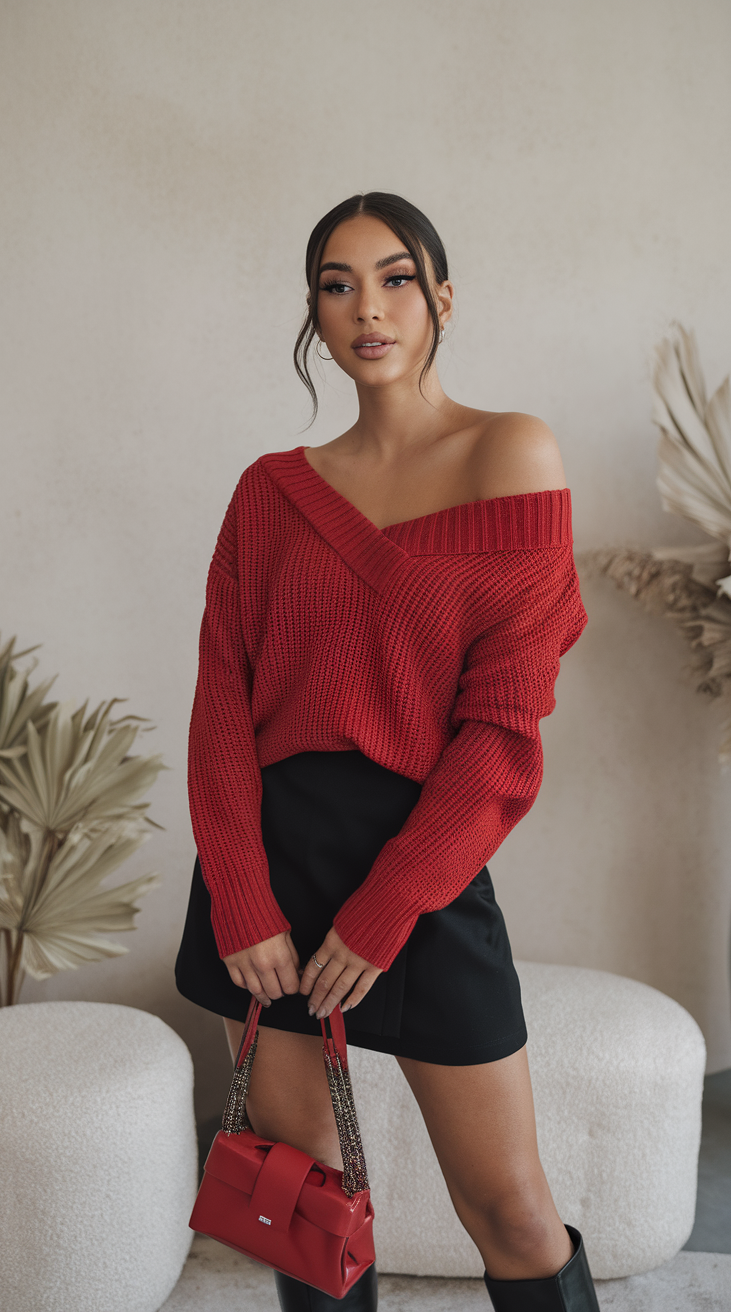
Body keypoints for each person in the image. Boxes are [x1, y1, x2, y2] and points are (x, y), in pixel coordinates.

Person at [175, 192, 598, 1311]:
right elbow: (221, 702)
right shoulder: (270, 493)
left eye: (396, 277)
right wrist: (239, 896)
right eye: (336, 282)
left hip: (422, 866)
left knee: (507, 1205)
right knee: (305, 1206)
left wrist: (389, 904)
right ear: (313, 314)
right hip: (264, 872)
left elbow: (503, 723)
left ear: (442, 297)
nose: (368, 306)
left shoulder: (511, 449)